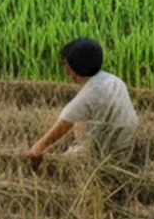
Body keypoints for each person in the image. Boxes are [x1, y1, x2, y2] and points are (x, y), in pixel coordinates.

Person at [29, 37, 139, 169]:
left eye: (66, 65)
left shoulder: (91, 92)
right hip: (126, 141)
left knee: (64, 163)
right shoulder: (114, 80)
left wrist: (39, 147)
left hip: (106, 150)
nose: (66, 70)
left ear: (75, 67)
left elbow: (65, 122)